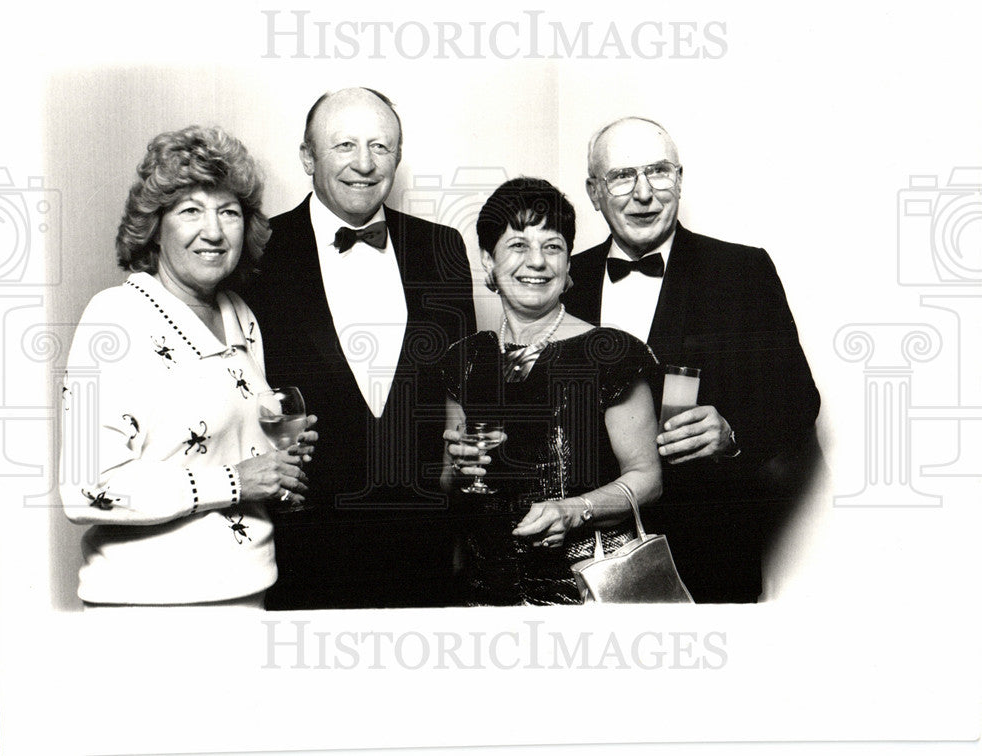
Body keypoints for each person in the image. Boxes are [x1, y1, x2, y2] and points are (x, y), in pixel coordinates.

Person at [562, 116, 822, 602]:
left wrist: (734, 434)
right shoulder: (566, 278)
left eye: (659, 172)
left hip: (707, 556)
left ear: (679, 179)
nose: (644, 193)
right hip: (579, 559)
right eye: (621, 176)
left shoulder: (742, 271)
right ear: (594, 191)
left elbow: (797, 401)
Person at [59, 125, 318, 607]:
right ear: (155, 227)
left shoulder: (240, 314)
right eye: (191, 210)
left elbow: (233, 454)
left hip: (248, 590)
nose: (215, 231)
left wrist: (280, 468)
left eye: (229, 212)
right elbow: (85, 488)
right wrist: (238, 480)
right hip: (149, 604)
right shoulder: (115, 317)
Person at [245, 88, 476, 610]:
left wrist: (455, 510)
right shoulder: (258, 252)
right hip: (304, 545)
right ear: (308, 157)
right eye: (345, 145)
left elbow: (459, 389)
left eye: (381, 146)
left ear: (398, 155)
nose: (365, 164)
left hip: (425, 547)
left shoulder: (442, 248)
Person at [441, 177, 663, 606]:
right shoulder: (463, 359)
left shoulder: (610, 352)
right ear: (489, 262)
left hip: (583, 595)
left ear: (567, 265)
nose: (537, 261)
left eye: (553, 246)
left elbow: (648, 479)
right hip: (484, 596)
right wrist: (456, 467)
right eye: (518, 246)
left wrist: (575, 508)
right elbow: (450, 481)